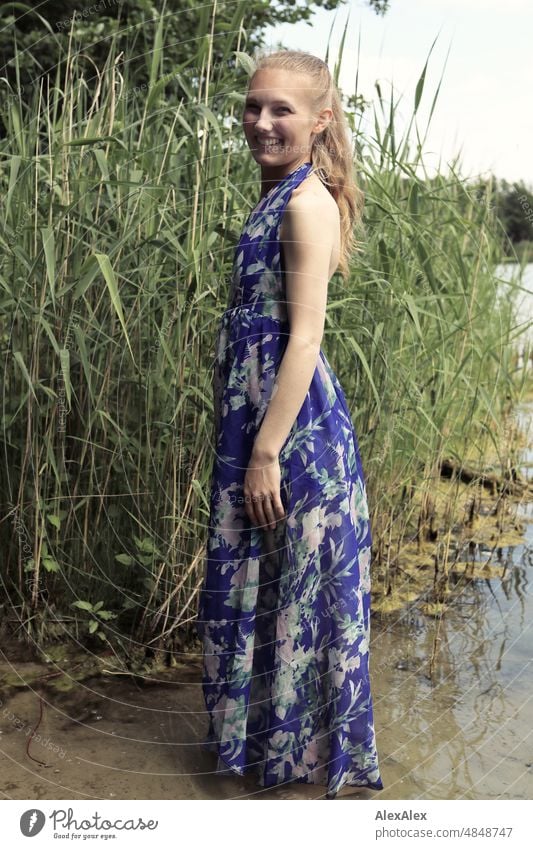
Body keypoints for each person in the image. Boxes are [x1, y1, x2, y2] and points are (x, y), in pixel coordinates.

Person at [196, 48, 384, 799]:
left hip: (294, 437)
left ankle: (298, 776)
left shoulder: (304, 202)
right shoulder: (277, 192)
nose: (262, 122)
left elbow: (305, 337)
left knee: (296, 598)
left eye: (281, 110)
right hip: (262, 424)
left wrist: (266, 451)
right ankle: (272, 763)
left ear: (319, 120)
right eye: (253, 106)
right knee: (267, 589)